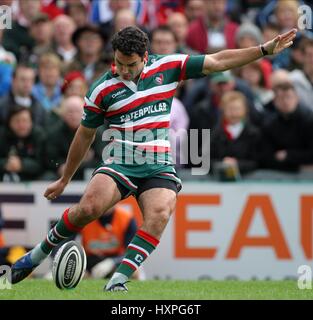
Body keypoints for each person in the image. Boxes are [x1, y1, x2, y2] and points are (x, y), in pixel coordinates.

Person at [11, 26, 297, 291]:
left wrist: (262, 50)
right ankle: (36, 256)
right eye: (118, 63)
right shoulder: (101, 89)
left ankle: (118, 281)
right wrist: (65, 179)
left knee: (160, 213)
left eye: (130, 64)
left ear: (145, 57)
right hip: (119, 161)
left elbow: (218, 61)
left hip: (157, 164)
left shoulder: (168, 66)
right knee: (88, 208)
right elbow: (84, 136)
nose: (123, 69)